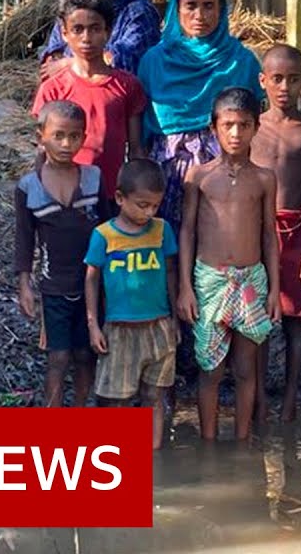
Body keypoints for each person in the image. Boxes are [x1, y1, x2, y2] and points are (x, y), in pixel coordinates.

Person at [176, 87, 280, 441]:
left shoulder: (264, 178)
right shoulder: (199, 176)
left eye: (244, 125)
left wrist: (275, 290)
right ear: (214, 128)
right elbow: (187, 231)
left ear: (256, 127)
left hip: (251, 279)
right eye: (228, 125)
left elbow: (269, 235)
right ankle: (208, 444)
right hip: (209, 280)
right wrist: (185, 287)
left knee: (246, 368)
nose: (236, 133)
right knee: (211, 369)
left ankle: (242, 443)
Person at [137, 0, 263, 234]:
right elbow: (140, 121)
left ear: (221, 9)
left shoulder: (241, 61)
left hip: (226, 169)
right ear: (177, 9)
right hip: (167, 172)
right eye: (191, 6)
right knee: (168, 243)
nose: (199, 15)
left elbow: (256, 120)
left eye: (208, 6)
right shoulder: (154, 61)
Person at [83, 159, 178, 450]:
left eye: (155, 206)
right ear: (120, 198)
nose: (148, 213)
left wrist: (175, 319)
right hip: (119, 329)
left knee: (154, 396)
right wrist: (93, 325)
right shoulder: (104, 235)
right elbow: (91, 279)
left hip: (159, 326)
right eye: (142, 205)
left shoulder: (161, 230)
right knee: (118, 400)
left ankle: (154, 457)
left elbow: (171, 272)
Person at [250, 44, 301, 424]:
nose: (284, 87)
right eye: (276, 79)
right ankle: (259, 398)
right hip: (256, 233)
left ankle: (290, 401)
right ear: (262, 80)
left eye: (293, 80)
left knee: (296, 322)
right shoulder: (250, 129)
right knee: (258, 322)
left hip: (298, 233)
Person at [15, 100, 103, 407]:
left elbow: (110, 231)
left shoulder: (93, 178)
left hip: (92, 284)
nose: (67, 144)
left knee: (85, 354)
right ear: (41, 136)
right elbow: (24, 238)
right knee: (58, 357)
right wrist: (24, 284)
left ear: (84, 137)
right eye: (58, 135)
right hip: (54, 287)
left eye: (75, 136)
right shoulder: (29, 187)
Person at [32, 0, 147, 207]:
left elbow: (135, 149)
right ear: (64, 33)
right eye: (77, 29)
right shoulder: (52, 89)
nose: (86, 38)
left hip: (111, 196)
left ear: (108, 31)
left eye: (95, 29)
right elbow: (43, 148)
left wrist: (136, 198)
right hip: (64, 196)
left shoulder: (128, 86)